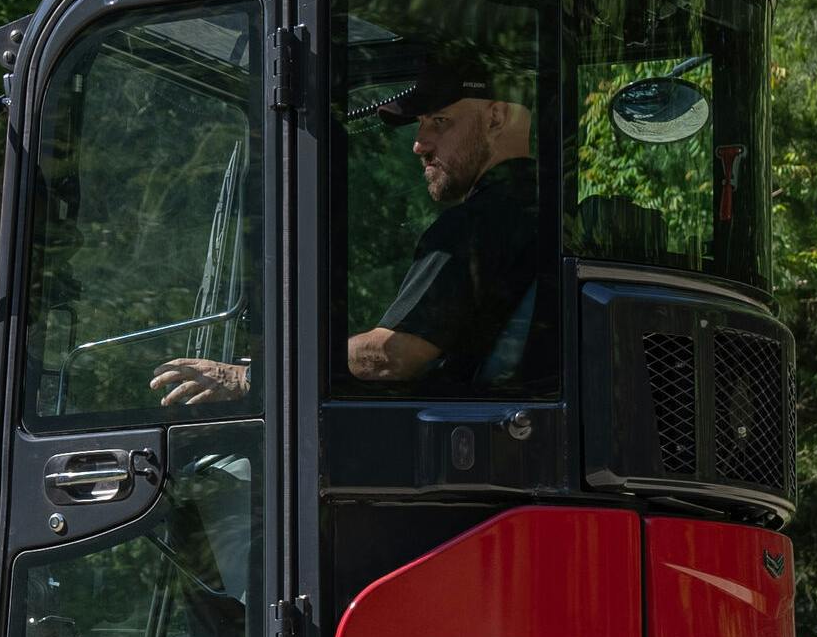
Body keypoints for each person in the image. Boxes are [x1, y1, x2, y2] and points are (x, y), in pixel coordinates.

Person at [151, 51, 544, 406]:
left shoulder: (475, 226)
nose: (419, 144)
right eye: (421, 124)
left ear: (495, 117)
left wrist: (254, 377)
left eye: (440, 121)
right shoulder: (547, 215)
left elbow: (392, 357)